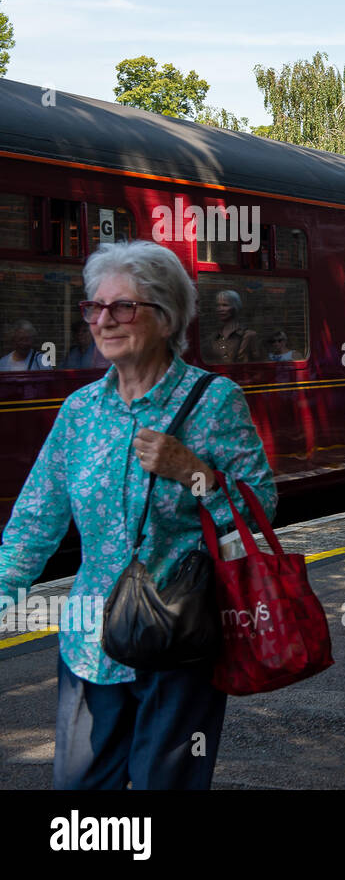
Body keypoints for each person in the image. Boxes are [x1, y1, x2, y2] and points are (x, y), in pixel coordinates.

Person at [0, 240, 275, 789]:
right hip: (89, 639)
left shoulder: (213, 400)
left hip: (181, 632)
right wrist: (6, 589)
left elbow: (259, 508)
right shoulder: (80, 411)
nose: (104, 320)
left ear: (166, 315)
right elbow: (36, 516)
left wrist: (192, 471)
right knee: (79, 795)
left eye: (122, 307)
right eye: (94, 308)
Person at [210, 289, 261, 363]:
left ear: (235, 307)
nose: (220, 309)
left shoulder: (249, 335)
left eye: (225, 305)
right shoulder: (214, 336)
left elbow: (259, 364)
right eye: (218, 305)